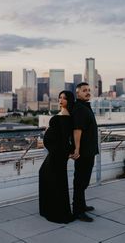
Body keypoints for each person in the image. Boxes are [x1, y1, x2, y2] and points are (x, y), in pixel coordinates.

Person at [39, 90, 75, 224]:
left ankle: (57, 212)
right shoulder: (63, 114)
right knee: (50, 176)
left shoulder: (67, 116)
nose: (61, 100)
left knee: (56, 179)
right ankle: (51, 209)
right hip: (55, 152)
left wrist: (70, 150)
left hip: (58, 152)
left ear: (69, 100)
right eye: (60, 98)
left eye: (64, 98)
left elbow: (65, 137)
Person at [70, 82, 99, 222]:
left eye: (88, 90)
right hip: (83, 152)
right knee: (80, 182)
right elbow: (77, 130)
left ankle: (82, 205)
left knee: (84, 181)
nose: (87, 92)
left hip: (89, 150)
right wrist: (76, 149)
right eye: (84, 90)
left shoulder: (85, 106)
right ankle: (77, 210)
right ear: (78, 93)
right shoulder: (80, 108)